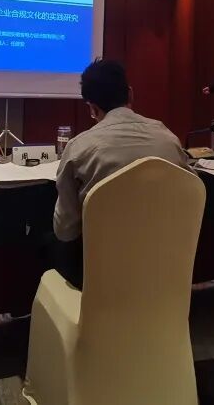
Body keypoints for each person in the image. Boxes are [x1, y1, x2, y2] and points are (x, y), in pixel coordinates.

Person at [53, 59, 193, 287]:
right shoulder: (168, 138)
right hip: (164, 268)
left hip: (100, 276)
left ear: (92, 107)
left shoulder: (78, 148)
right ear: (130, 94)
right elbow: (191, 194)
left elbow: (65, 230)